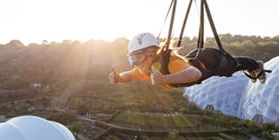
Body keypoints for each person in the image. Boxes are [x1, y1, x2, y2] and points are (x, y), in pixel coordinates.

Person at [109, 32, 267, 88]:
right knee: (231, 66)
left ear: (151, 52)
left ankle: (255, 65)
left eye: (137, 57)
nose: (135, 63)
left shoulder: (170, 64)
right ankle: (252, 66)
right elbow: (130, 75)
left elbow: (194, 74)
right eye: (132, 59)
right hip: (195, 59)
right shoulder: (149, 68)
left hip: (209, 62)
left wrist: (165, 78)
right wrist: (118, 78)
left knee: (230, 66)